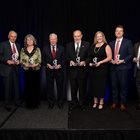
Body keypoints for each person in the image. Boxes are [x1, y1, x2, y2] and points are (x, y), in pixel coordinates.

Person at [109, 25, 133, 111]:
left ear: (123, 33)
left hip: (123, 68)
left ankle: (122, 103)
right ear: (115, 33)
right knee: (114, 86)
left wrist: (123, 60)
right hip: (113, 68)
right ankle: (115, 102)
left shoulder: (128, 42)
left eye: (120, 31)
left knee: (123, 86)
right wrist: (111, 60)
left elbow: (131, 54)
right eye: (117, 31)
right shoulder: (111, 43)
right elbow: (109, 55)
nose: (118, 32)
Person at [66, 30, 90, 110]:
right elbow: (66, 57)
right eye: (75, 36)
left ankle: (82, 104)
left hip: (82, 71)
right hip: (73, 71)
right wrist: (70, 61)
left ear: (81, 36)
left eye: (78, 36)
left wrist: (84, 62)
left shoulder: (86, 44)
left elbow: (89, 57)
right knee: (73, 89)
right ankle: (74, 103)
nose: (77, 38)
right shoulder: (68, 45)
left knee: (82, 88)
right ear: (73, 36)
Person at [89, 31, 112, 109]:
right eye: (97, 36)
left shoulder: (106, 46)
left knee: (101, 85)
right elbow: (90, 57)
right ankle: (95, 101)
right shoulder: (93, 46)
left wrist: (100, 62)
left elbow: (109, 57)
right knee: (94, 85)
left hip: (102, 69)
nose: (99, 38)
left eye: (100, 36)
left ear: (103, 37)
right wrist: (90, 63)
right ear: (96, 37)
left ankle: (101, 102)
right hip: (93, 69)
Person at [42, 33, 65, 109]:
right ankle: (50, 103)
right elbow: (42, 60)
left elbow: (64, 59)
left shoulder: (61, 48)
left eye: (54, 39)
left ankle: (60, 102)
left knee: (60, 88)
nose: (53, 40)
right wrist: (47, 64)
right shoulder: (45, 48)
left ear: (57, 40)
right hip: (49, 71)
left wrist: (60, 65)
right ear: (49, 40)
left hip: (59, 71)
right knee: (49, 88)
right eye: (51, 39)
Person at [0, 30, 21, 111]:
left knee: (16, 87)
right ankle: (7, 104)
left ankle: (17, 102)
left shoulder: (18, 45)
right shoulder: (3, 44)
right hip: (6, 69)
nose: (13, 38)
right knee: (7, 88)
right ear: (9, 36)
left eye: (15, 36)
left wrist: (19, 61)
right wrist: (7, 61)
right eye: (12, 36)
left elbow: (18, 57)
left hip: (15, 68)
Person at [20, 34, 41, 108]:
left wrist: (35, 65)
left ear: (33, 40)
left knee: (35, 86)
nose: (29, 41)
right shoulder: (23, 49)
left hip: (35, 71)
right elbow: (21, 61)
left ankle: (35, 103)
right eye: (27, 40)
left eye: (31, 39)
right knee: (27, 87)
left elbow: (39, 60)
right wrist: (25, 64)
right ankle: (28, 103)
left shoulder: (37, 49)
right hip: (26, 71)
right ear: (26, 41)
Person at [133, 42, 140, 110]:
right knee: (138, 86)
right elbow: (133, 56)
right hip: (138, 70)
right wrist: (134, 59)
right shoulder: (136, 45)